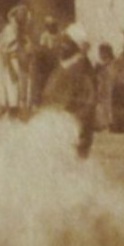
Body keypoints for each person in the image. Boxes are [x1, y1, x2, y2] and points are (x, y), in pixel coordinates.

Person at [40, 25, 98, 158]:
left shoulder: (81, 68)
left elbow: (87, 101)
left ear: (76, 46)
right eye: (61, 41)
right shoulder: (66, 65)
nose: (61, 45)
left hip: (72, 127)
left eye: (66, 42)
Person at [0, 5, 28, 118]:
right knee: (11, 90)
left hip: (12, 61)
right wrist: (11, 70)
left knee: (13, 91)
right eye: (21, 15)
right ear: (16, 16)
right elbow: (5, 51)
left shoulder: (16, 28)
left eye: (24, 15)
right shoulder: (11, 29)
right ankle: (10, 115)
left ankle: (10, 114)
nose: (23, 17)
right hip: (9, 62)